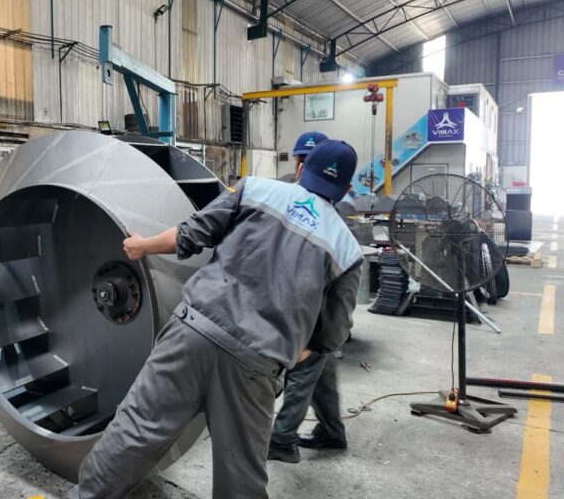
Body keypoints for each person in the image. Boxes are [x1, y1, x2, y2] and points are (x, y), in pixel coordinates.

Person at [68, 140, 363, 499]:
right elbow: (333, 334)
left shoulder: (254, 189)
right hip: (256, 364)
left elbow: (191, 234)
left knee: (135, 431)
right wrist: (297, 349)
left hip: (193, 332)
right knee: (241, 473)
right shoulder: (348, 251)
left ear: (301, 169)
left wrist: (141, 246)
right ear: (346, 190)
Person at [267, 133, 355, 464]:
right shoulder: (290, 191)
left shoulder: (302, 196)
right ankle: (332, 432)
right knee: (323, 370)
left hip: (313, 304)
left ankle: (282, 439)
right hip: (315, 301)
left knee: (307, 368)